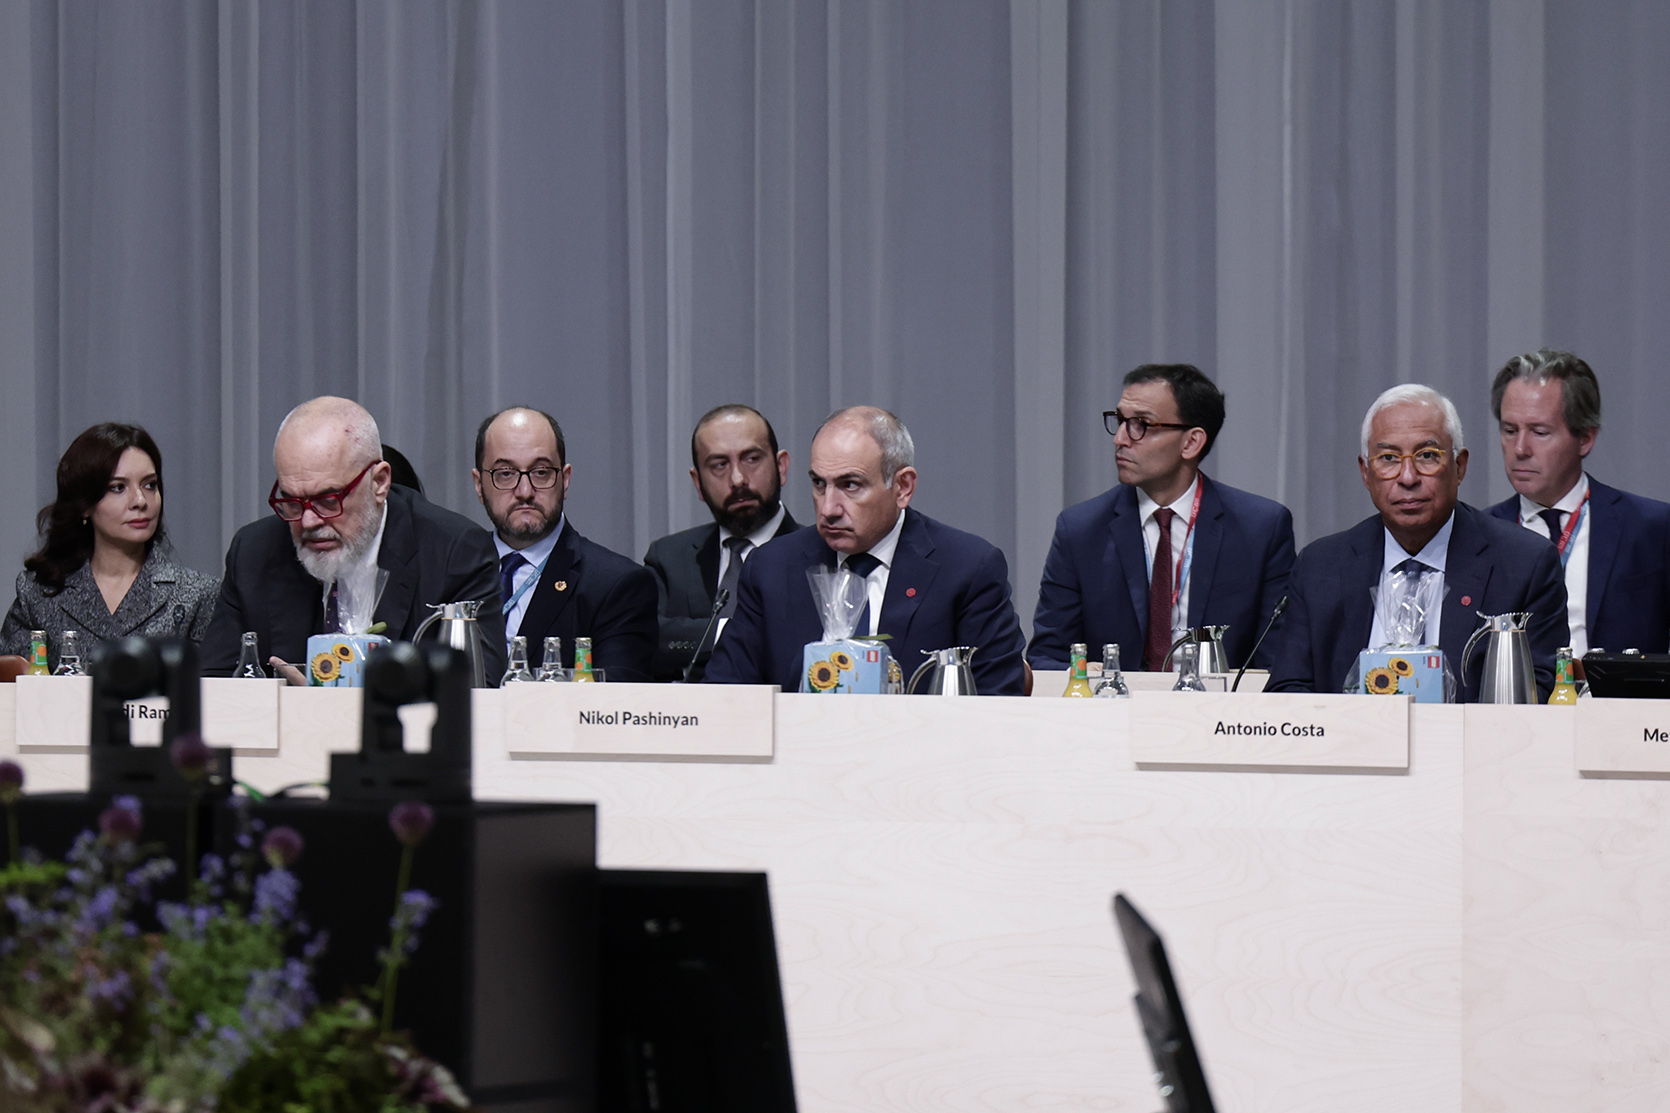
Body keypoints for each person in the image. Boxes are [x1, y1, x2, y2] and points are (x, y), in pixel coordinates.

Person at [1268, 384, 1568, 701]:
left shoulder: (1525, 565)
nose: (1408, 477)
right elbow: (1287, 692)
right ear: (1366, 473)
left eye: (1427, 456)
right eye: (1388, 458)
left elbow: (1536, 699)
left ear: (1459, 466)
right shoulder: (1320, 568)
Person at [705, 406, 1027, 695]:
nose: (828, 508)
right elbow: (725, 695)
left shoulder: (966, 569)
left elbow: (997, 703)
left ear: (902, 487)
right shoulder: (771, 568)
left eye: (850, 485)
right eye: (819, 484)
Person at [200, 396, 505, 680]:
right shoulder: (254, 551)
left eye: (328, 500)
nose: (308, 521)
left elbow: (476, 693)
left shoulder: (455, 552)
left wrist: (332, 708)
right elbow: (215, 686)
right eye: (292, 501)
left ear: (379, 483)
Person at [1029, 364, 1295, 673]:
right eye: (1120, 421)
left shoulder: (1260, 529)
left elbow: (1278, 662)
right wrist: (1079, 675)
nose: (1120, 439)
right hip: (1114, 701)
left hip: (1217, 702)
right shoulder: (1080, 530)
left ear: (1191, 442)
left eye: (1141, 424)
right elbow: (1047, 656)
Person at [1486, 348, 1670, 655]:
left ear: (1585, 438)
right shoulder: (1479, 534)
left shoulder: (1650, 528)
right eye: (1510, 430)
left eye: (1539, 432)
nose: (1520, 448)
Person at [1, 423, 218, 669]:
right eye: (118, 488)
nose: (140, 501)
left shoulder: (198, 595)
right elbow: (11, 684)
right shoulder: (38, 594)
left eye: (150, 485)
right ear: (85, 505)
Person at [473, 406, 657, 681]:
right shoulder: (452, 574)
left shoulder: (616, 586)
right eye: (505, 473)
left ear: (565, 480)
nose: (525, 491)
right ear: (479, 485)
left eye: (541, 472)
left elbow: (614, 702)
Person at [643, 404, 802, 681]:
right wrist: (730, 632)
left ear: (781, 466)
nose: (738, 479)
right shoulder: (669, 557)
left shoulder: (820, 555)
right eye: (719, 465)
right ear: (698, 483)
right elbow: (646, 636)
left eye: (751, 459)